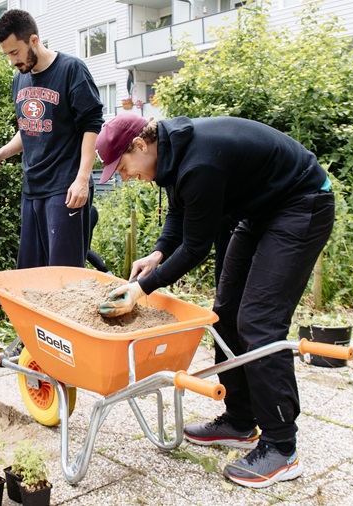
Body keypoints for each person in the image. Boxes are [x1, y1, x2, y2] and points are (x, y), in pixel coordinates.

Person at [95, 114, 334, 488]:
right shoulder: (171, 155)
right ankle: (241, 421)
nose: (124, 177)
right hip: (259, 211)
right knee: (225, 313)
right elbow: (180, 212)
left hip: (301, 204)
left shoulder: (199, 161)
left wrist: (143, 289)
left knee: (259, 322)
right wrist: (157, 254)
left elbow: (195, 248)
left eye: (122, 167)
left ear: (140, 146)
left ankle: (282, 448)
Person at [0, 9, 104, 269]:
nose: (12, 61)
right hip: (33, 188)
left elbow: (92, 125)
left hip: (66, 189)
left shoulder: (71, 70)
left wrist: (82, 180)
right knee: (31, 272)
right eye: (7, 55)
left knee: (63, 274)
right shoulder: (20, 79)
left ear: (33, 40)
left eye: (15, 52)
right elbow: (29, 130)